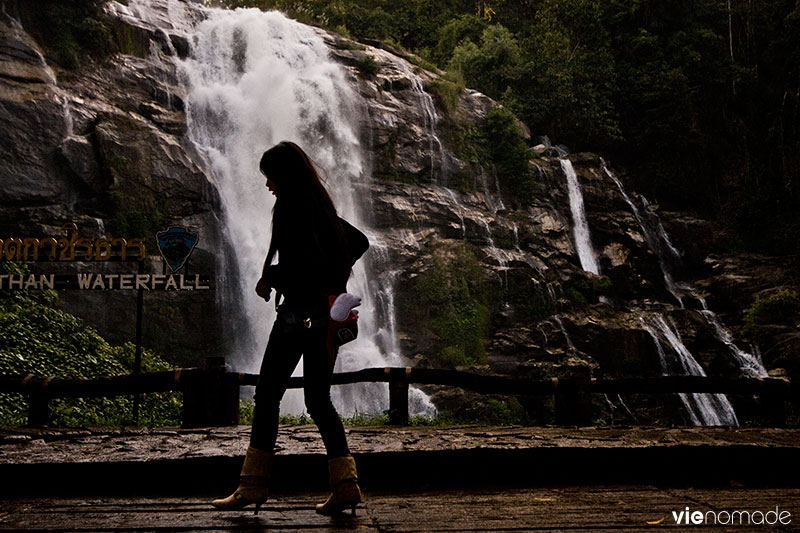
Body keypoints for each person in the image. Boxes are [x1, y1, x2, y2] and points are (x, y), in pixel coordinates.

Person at [211, 141, 369, 516]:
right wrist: (333, 282)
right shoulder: (317, 204)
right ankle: (346, 486)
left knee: (267, 396)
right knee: (318, 400)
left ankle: (252, 486)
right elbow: (358, 242)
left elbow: (301, 266)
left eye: (270, 177)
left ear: (284, 175)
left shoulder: (291, 207)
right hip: (325, 318)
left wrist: (274, 277)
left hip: (298, 317)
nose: (268, 185)